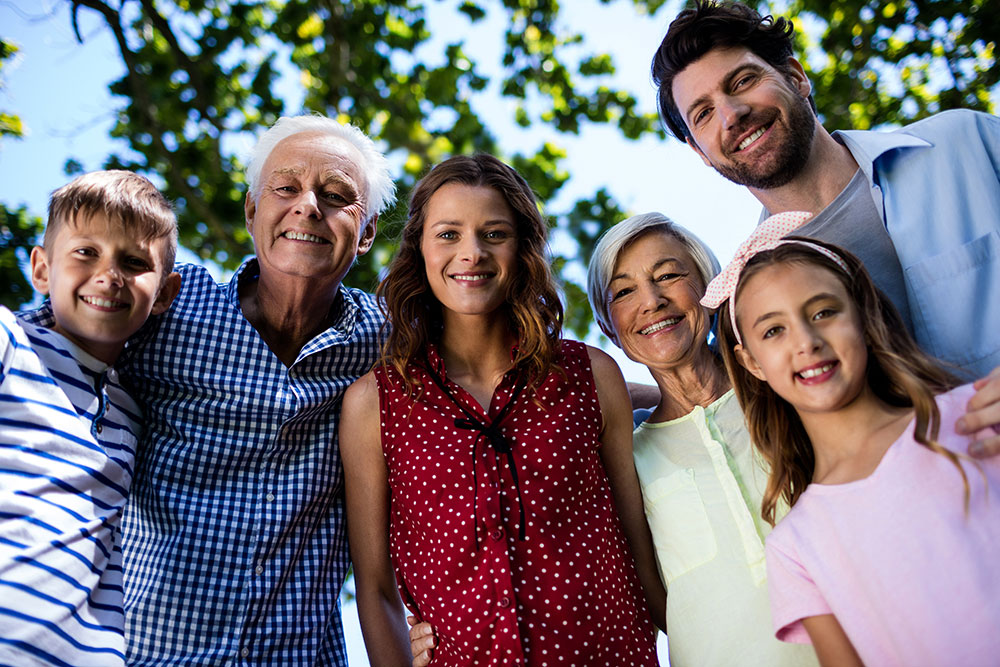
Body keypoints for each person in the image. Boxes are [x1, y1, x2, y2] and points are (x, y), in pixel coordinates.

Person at [21, 115, 396, 664]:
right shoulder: (171, 305)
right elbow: (52, 331)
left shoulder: (389, 340)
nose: (308, 206)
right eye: (285, 188)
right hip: (148, 653)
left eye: (337, 195)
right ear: (251, 210)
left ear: (365, 233)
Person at [341, 154, 663, 666]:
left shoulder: (591, 376)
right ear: (420, 248)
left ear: (523, 247)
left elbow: (638, 546)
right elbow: (376, 588)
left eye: (494, 233)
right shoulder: (375, 404)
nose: (472, 253)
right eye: (448, 234)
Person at [651, 0, 1000, 454]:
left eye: (743, 81)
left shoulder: (966, 144)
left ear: (796, 76)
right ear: (701, 151)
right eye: (702, 113)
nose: (731, 114)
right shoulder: (751, 302)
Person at [703, 224, 1000, 665]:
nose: (806, 341)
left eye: (823, 312)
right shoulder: (795, 546)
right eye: (773, 331)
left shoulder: (975, 414)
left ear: (861, 312)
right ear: (751, 363)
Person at [584, 212, 816, 666]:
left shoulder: (786, 389)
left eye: (668, 275)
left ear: (709, 289)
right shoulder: (626, 458)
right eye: (625, 291)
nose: (651, 301)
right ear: (609, 325)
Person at [3, 170, 180, 666]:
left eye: (133, 261)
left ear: (165, 294)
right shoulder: (9, 348)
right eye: (86, 252)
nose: (110, 275)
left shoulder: (131, 410)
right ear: (41, 269)